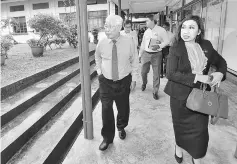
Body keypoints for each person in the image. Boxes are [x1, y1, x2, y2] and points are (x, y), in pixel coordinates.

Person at [164, 15, 227, 164]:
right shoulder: (175, 47)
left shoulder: (206, 46)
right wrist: (197, 77)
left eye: (191, 27)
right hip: (180, 98)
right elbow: (170, 73)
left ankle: (196, 155)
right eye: (183, 27)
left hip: (201, 96)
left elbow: (221, 62)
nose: (186, 31)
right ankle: (178, 147)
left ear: (199, 31)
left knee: (200, 132)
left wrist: (220, 73)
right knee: (180, 128)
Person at [95, 14, 139, 151]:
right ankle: (107, 138)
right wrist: (99, 71)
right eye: (106, 26)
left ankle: (121, 126)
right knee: (106, 109)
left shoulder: (129, 41)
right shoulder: (102, 42)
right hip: (106, 82)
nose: (107, 29)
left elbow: (135, 60)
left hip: (123, 81)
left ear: (119, 28)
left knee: (123, 107)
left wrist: (135, 78)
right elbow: (97, 57)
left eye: (110, 27)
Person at [139, 15, 169, 100]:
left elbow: (167, 41)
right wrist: (140, 55)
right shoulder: (146, 32)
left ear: (152, 21)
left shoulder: (161, 30)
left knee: (156, 73)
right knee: (143, 72)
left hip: (157, 54)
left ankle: (155, 91)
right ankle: (144, 83)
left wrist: (159, 46)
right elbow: (143, 44)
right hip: (146, 54)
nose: (146, 23)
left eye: (147, 21)